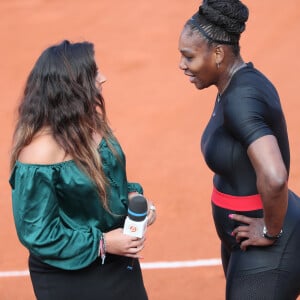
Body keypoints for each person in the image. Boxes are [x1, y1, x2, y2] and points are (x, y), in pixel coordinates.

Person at [9, 40, 156, 300]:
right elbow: (37, 233)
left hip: (119, 262)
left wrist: (131, 199)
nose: (103, 78)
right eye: (94, 72)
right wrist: (103, 243)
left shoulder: (90, 124)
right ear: (73, 85)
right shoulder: (39, 152)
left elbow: (105, 182)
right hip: (71, 275)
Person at [178, 0, 300, 299]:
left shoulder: (241, 99)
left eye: (189, 57)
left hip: (270, 247)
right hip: (242, 240)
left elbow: (274, 176)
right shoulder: (234, 83)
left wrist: (271, 230)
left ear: (218, 53)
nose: (182, 65)